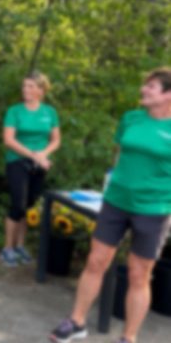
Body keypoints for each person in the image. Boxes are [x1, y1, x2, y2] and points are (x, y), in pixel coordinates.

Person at [49, 67, 171, 343]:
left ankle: (129, 337)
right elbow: (119, 158)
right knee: (96, 261)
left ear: (168, 94)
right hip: (116, 202)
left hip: (154, 209)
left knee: (140, 275)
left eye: (151, 87)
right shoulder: (131, 119)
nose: (144, 90)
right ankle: (76, 322)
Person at [1, 72, 61, 266]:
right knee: (17, 204)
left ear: (41, 90)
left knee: (29, 207)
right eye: (24, 86)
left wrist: (43, 154)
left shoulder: (49, 112)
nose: (25, 90)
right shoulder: (15, 111)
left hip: (40, 164)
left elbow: (55, 140)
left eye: (30, 86)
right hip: (17, 161)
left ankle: (20, 246)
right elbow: (9, 140)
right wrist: (34, 155)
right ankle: (7, 249)